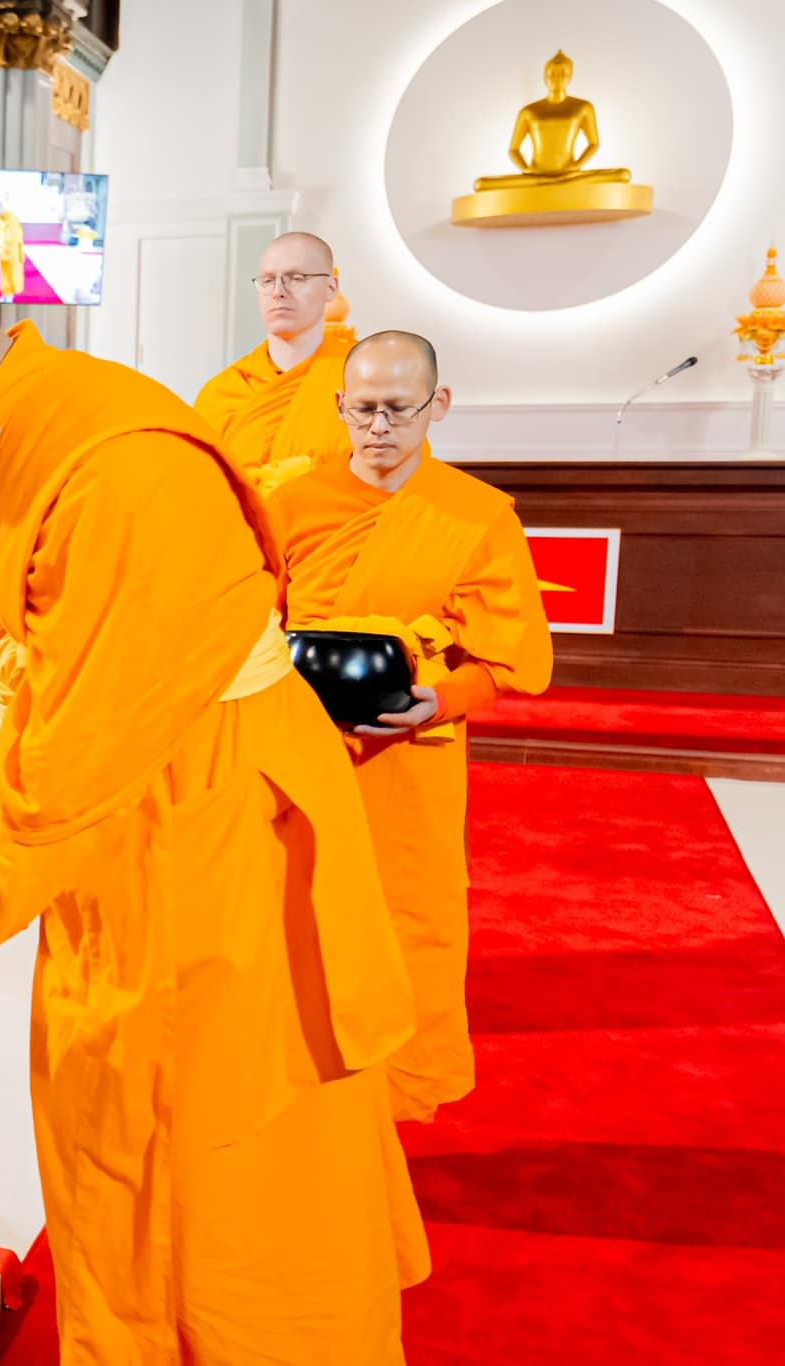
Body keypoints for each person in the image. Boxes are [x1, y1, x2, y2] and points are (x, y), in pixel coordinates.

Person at [0, 235, 427, 1363]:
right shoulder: (0, 459)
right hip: (117, 849)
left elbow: (82, 756)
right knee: (110, 1134)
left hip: (220, 854)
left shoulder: (117, 467)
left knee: (226, 1175)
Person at [268, 330, 554, 1123]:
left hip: (413, 750)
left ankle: (402, 1082)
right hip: (297, 743)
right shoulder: (291, 503)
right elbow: (251, 623)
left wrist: (444, 701)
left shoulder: (474, 514)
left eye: (399, 408)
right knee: (291, 907)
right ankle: (297, 1060)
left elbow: (504, 664)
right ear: (339, 408)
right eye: (363, 410)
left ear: (440, 406)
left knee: (412, 916)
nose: (380, 428)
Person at [195, 231, 353, 496]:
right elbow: (196, 488)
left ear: (331, 288)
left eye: (296, 278)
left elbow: (393, 478)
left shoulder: (363, 379)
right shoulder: (222, 392)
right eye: (268, 280)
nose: (278, 292)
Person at [0, 199, 26, 302]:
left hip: (11, 253)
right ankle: (5, 294)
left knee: (11, 274)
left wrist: (0, 253)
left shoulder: (12, 219)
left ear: (0, 208)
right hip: (1, 252)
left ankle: (10, 297)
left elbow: (11, 240)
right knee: (3, 275)